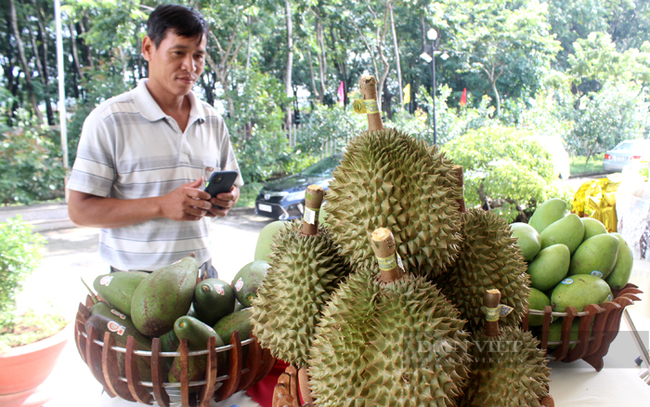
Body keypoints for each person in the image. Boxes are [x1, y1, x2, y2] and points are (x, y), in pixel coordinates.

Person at [67, 4, 242, 278]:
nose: (190, 66)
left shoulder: (212, 120)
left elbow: (234, 188)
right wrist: (161, 205)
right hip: (134, 284)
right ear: (148, 48)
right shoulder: (109, 120)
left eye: (198, 55)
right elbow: (79, 211)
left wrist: (226, 199)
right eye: (178, 53)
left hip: (202, 278)